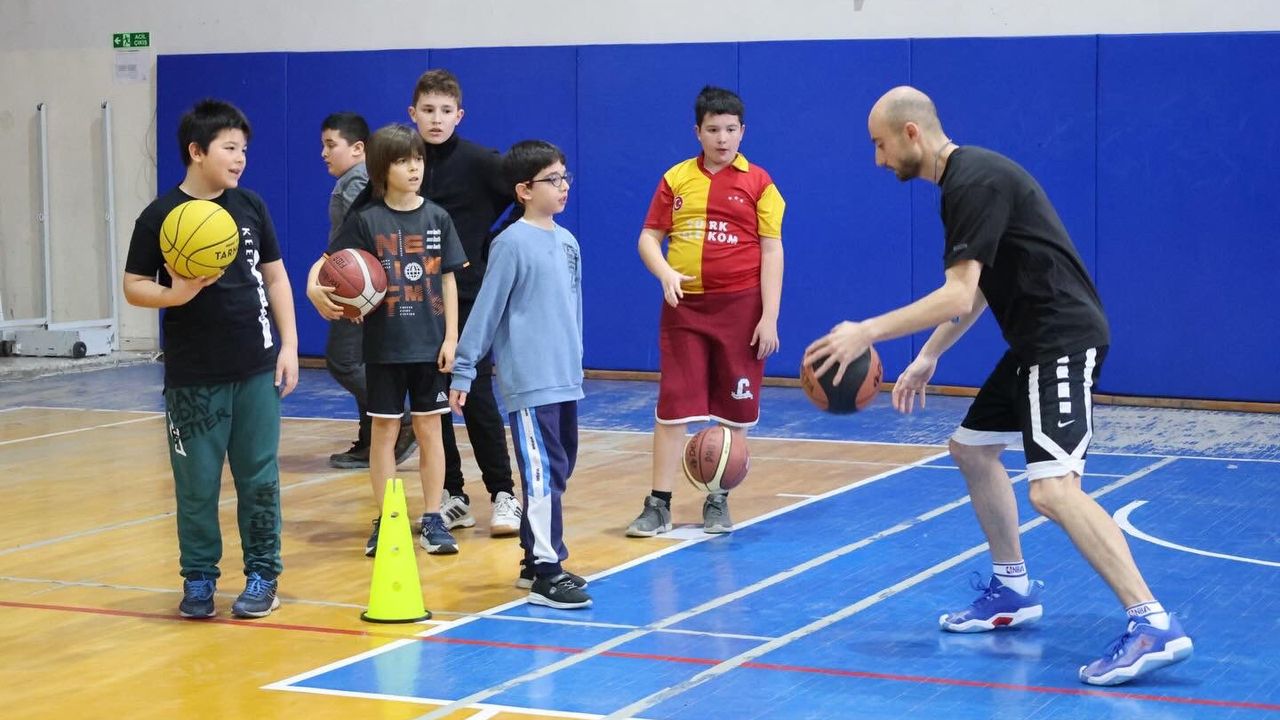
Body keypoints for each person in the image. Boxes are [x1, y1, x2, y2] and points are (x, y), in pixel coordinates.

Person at [803, 86, 1193, 686]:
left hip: (1061, 341)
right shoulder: (965, 182)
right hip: (1033, 344)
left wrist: (867, 331)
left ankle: (1152, 623)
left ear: (911, 134)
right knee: (971, 448)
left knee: (1054, 491)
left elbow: (957, 293)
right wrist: (929, 355)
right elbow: (981, 288)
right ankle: (1012, 590)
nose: (878, 159)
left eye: (880, 145)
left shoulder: (972, 181)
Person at [122, 98, 298, 619]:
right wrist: (174, 295)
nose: (241, 158)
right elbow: (133, 285)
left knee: (259, 479)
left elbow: (275, 277)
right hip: (193, 375)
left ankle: (263, 574)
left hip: (255, 366)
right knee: (196, 485)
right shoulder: (159, 216)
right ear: (197, 151)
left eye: (244, 149)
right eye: (230, 148)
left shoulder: (251, 206)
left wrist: (289, 345)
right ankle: (198, 578)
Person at [351, 68, 522, 537]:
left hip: (466, 298)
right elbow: (354, 228)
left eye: (446, 111)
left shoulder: (481, 162)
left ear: (459, 115)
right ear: (413, 113)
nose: (436, 119)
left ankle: (503, 492)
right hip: (411, 306)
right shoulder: (395, 164)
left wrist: (494, 240)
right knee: (433, 409)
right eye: (428, 110)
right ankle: (452, 495)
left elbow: (524, 194)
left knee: (475, 392)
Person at [626, 86, 785, 537]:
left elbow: (772, 250)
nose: (722, 138)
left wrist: (769, 316)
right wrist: (665, 273)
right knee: (673, 407)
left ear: (743, 131)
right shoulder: (675, 179)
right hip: (685, 310)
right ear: (697, 131)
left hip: (741, 310)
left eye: (730, 129)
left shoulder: (761, 183)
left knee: (735, 410)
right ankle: (658, 504)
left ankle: (718, 499)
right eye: (713, 129)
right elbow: (648, 238)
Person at [307, 123, 468, 556]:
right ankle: (388, 518)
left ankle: (433, 517)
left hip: (429, 345)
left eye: (417, 159)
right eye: (402, 161)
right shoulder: (366, 220)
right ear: (382, 169)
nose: (414, 168)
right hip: (383, 347)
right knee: (384, 432)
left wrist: (452, 339)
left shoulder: (438, 217)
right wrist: (312, 287)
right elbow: (327, 263)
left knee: (431, 429)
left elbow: (448, 281)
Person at [449, 140, 591, 609]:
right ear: (524, 190)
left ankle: (533, 559)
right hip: (529, 382)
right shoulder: (509, 244)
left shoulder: (568, 242)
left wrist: (575, 363)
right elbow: (486, 311)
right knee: (541, 475)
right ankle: (548, 572)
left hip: (564, 378)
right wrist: (464, 369)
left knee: (559, 470)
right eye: (553, 179)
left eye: (565, 176)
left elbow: (572, 309)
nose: (563, 186)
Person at [316, 112, 417, 471]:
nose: (324, 153)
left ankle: (402, 418)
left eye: (331, 145)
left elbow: (368, 239)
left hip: (362, 289)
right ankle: (372, 439)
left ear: (359, 148)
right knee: (359, 363)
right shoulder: (354, 180)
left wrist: (363, 293)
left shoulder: (359, 181)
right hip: (362, 289)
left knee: (343, 362)